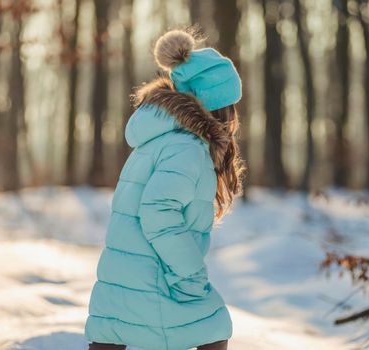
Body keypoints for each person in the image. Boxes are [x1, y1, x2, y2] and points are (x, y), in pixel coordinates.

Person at [84, 29, 244, 350]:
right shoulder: (187, 148)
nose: (235, 116)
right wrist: (190, 276)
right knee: (212, 326)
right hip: (153, 283)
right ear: (218, 107)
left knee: (210, 326)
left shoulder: (163, 138)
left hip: (124, 287)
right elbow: (158, 211)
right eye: (232, 106)